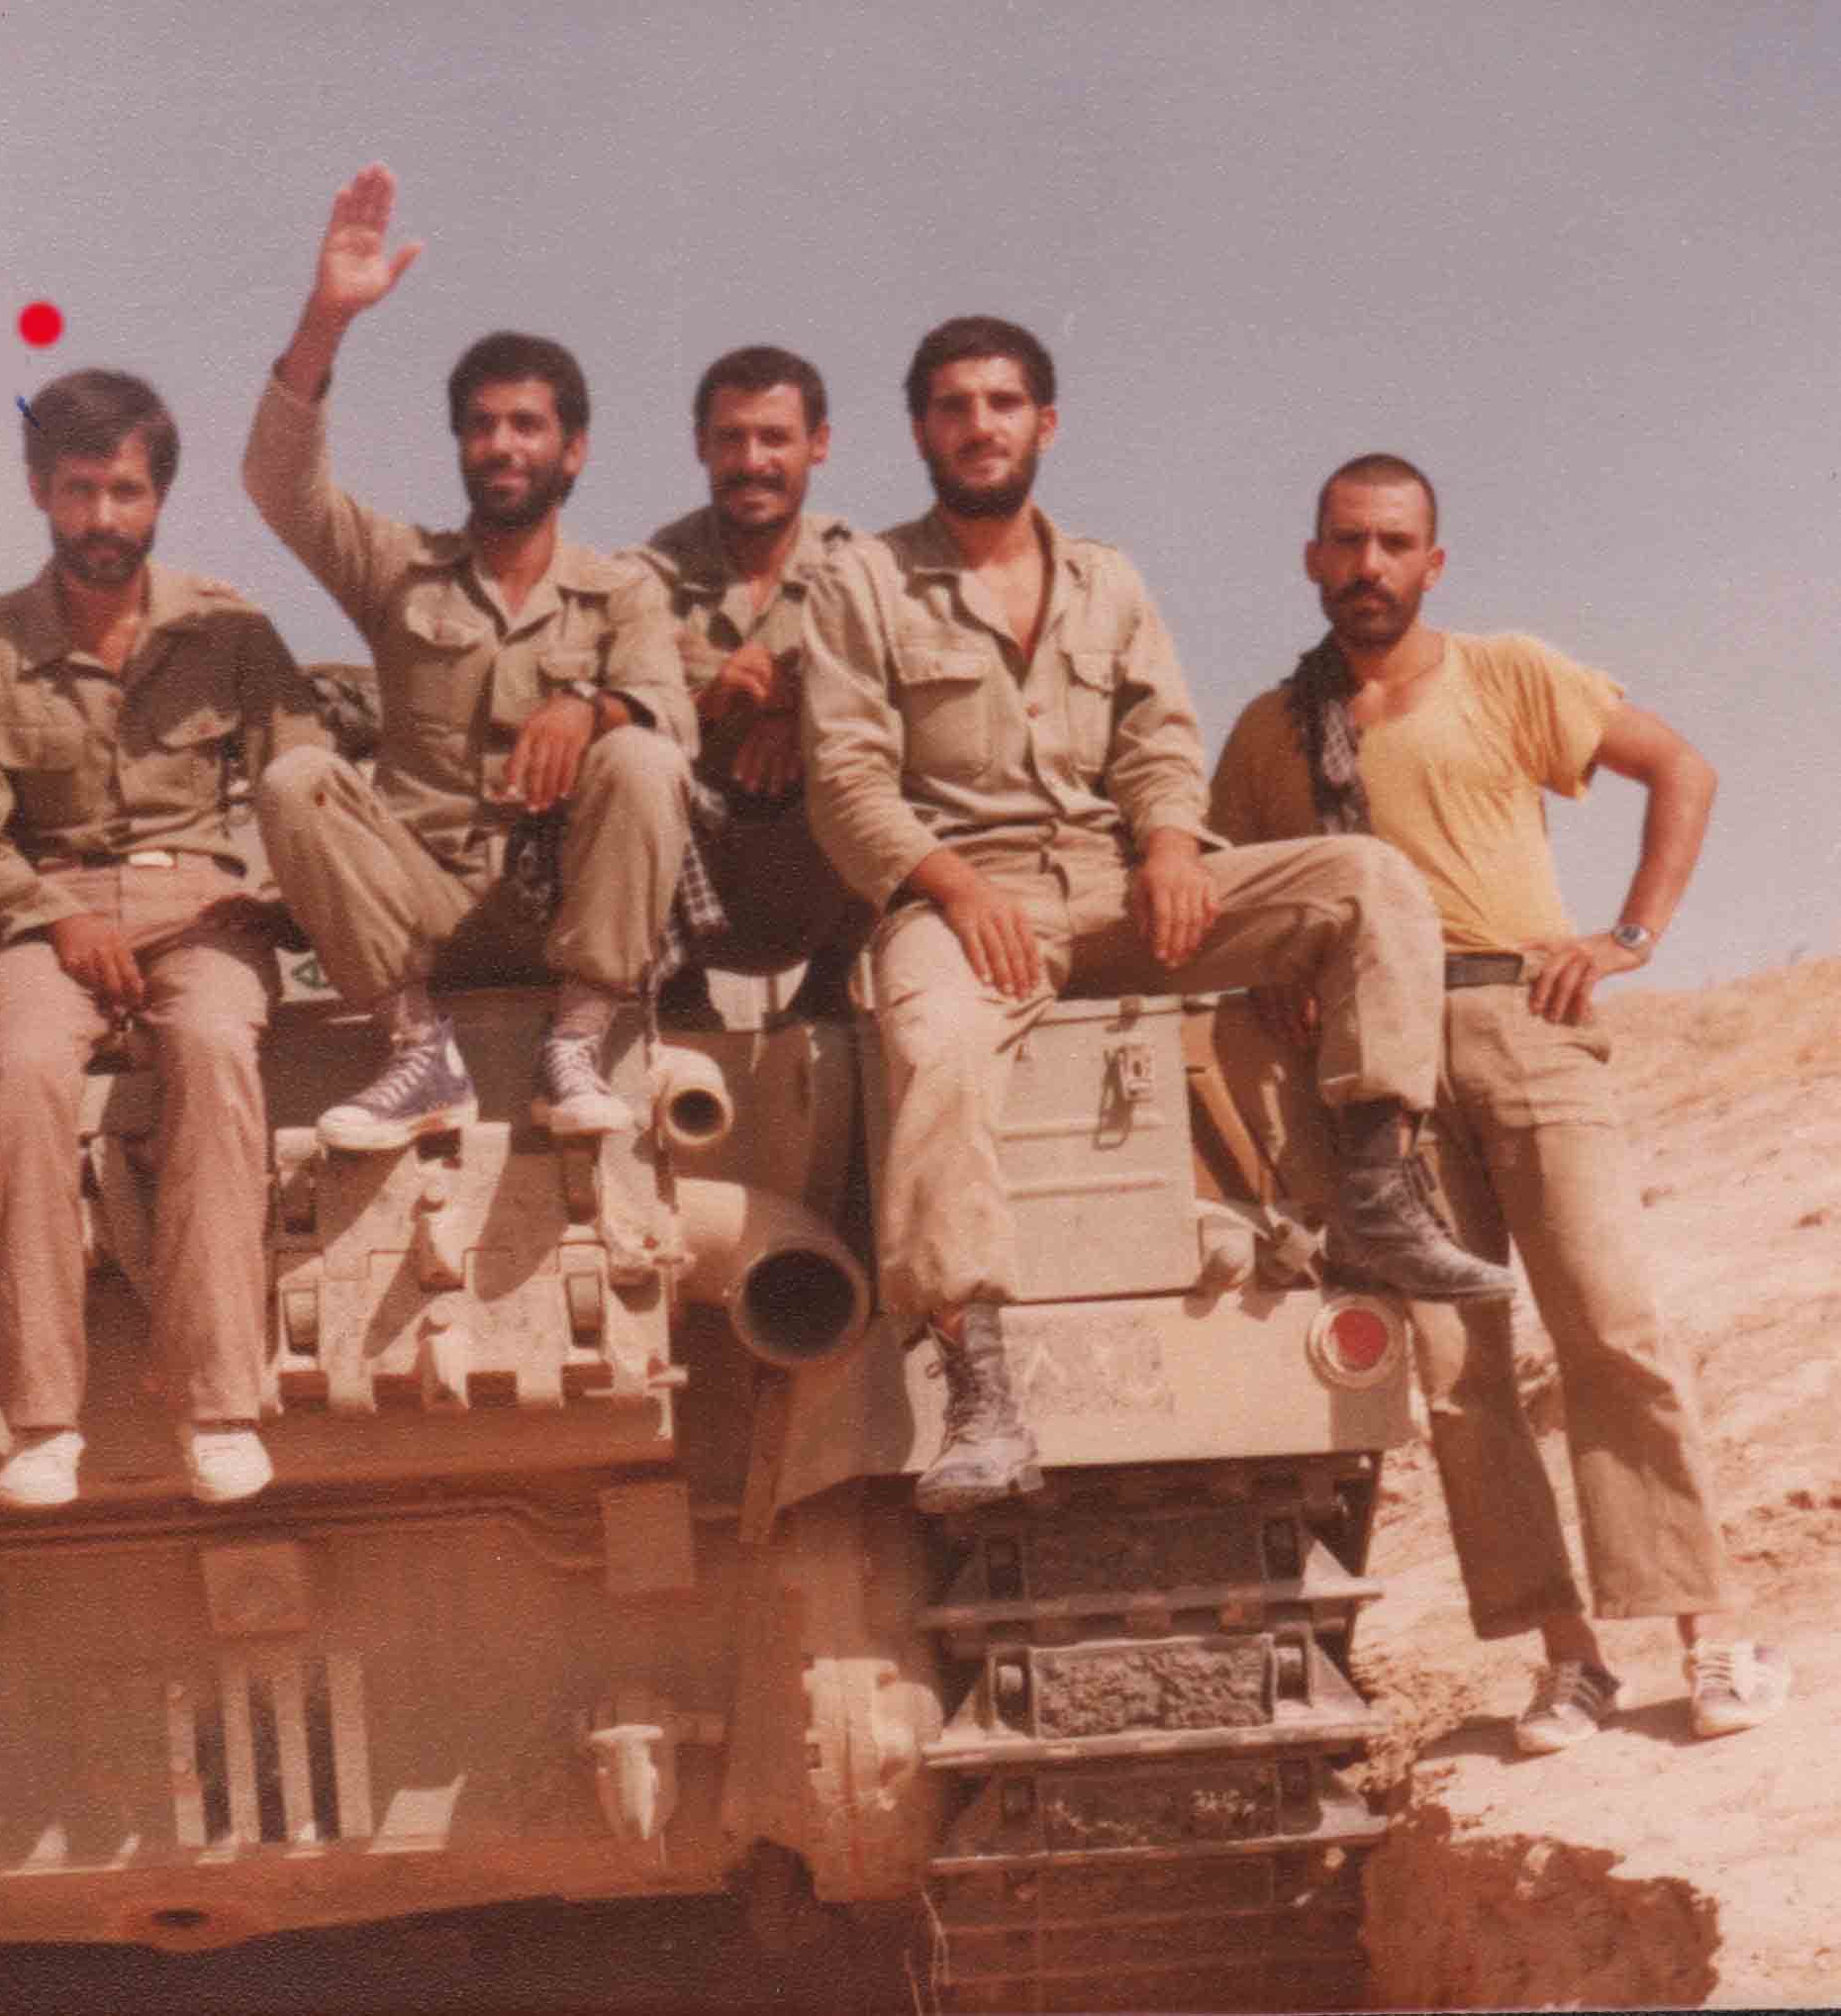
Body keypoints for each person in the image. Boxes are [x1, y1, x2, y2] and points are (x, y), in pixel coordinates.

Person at [799, 318, 1513, 1514]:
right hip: (959, 895)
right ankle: (979, 1388)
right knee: (930, 1043)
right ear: (920, 429)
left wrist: (1174, 847)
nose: (979, 426)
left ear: (1044, 423)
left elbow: (1157, 743)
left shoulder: (1106, 580)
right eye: (954, 406)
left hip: (1114, 885)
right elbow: (845, 780)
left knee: (1366, 880)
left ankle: (1379, 1190)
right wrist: (955, 890)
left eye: (1002, 403)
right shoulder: (862, 582)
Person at [1210, 452, 1790, 1746]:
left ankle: (1702, 1634)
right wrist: (1271, 980)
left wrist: (1627, 936)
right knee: (1458, 1372)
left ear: (1431, 563)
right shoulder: (1265, 734)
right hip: (1374, 1073)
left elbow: (1680, 768)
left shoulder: (1505, 673)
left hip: (1523, 1021)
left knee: (1607, 1324)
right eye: (1344, 541)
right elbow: (1233, 892)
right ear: (1310, 559)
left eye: (1391, 543)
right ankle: (1565, 1657)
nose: (1366, 565)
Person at [0, 369, 330, 1510]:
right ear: (38, 492)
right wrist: (54, 918)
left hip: (199, 904)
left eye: (125, 492)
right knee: (23, 1074)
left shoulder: (229, 630)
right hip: (41, 908)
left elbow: (303, 776)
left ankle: (219, 1406)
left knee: (214, 1049)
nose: (102, 517)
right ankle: (41, 1419)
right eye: (78, 490)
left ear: (157, 497)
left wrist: (268, 897)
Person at [243, 163, 697, 1148]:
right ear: (458, 446)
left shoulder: (621, 592)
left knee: (643, 754)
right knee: (295, 780)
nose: (501, 444)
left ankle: (575, 1042)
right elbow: (281, 489)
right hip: (418, 905)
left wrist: (590, 708)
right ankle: (416, 1053)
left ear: (572, 449)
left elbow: (671, 711)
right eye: (481, 426)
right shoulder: (400, 570)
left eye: (526, 424)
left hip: (562, 904)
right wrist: (327, 319)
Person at [628, 345, 875, 1022]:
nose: (751, 461)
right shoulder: (647, 577)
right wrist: (715, 694)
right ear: (701, 447)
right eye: (730, 438)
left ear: (818, 444)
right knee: (623, 750)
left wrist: (796, 709)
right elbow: (613, 680)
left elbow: (895, 674)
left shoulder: (863, 572)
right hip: (694, 873)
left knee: (903, 723)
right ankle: (678, 989)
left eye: (774, 438)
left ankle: (831, 983)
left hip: (817, 872)